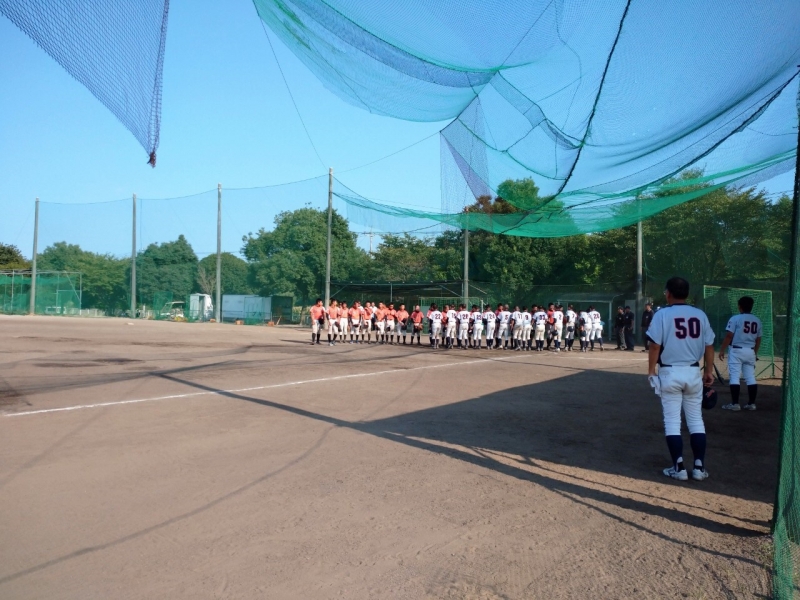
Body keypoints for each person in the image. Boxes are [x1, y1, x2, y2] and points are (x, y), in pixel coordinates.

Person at [646, 277, 715, 482]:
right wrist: (708, 371)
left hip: (670, 372)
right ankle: (699, 468)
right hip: (693, 372)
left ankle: (679, 468)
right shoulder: (700, 314)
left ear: (668, 293)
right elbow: (709, 345)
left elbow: (655, 346)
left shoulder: (662, 314)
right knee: (696, 421)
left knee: (672, 422)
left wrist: (651, 371)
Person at [718, 296, 762, 411]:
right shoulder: (757, 320)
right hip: (750, 350)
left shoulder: (735, 318)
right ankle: (751, 404)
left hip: (736, 350)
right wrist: (755, 353)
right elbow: (758, 339)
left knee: (734, 377)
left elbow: (729, 336)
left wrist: (722, 350)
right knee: (750, 377)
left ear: (740, 307)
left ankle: (735, 404)